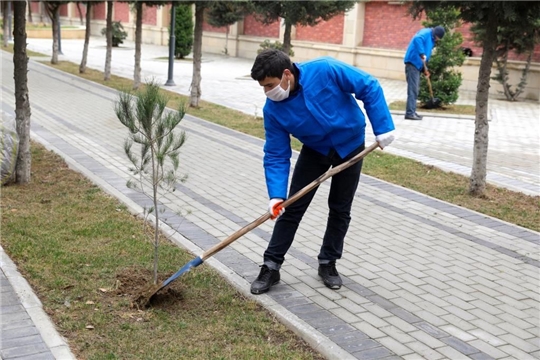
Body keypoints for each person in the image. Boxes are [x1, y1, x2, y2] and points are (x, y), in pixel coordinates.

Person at [249, 49, 396, 294]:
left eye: (270, 85)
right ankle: (271, 266)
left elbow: (368, 86)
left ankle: (328, 263)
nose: (267, 92)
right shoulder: (272, 110)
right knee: (292, 207)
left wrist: (383, 127)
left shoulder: (325, 69)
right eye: (263, 87)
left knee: (340, 208)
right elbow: (276, 154)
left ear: (287, 74)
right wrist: (276, 195)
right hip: (315, 150)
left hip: (350, 147)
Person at [404, 25, 445, 120]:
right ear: (436, 34)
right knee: (413, 89)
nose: (438, 40)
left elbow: (426, 56)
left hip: (418, 65)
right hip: (412, 63)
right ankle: (410, 113)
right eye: (438, 38)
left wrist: (424, 69)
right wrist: (422, 53)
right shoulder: (426, 33)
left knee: (415, 89)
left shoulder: (432, 39)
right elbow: (417, 39)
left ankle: (412, 111)